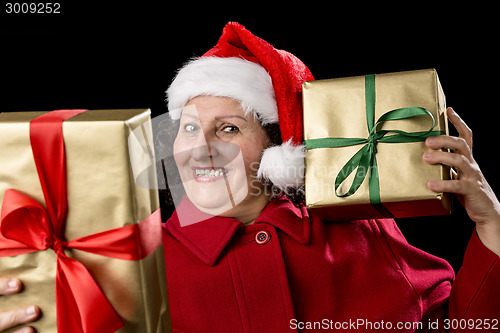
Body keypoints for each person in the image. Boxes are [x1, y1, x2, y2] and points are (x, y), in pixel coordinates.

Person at [1, 21, 499, 332]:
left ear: (278, 148)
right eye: (189, 127)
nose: (200, 147)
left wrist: (492, 228)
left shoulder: (364, 233)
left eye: (229, 128)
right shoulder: (132, 260)